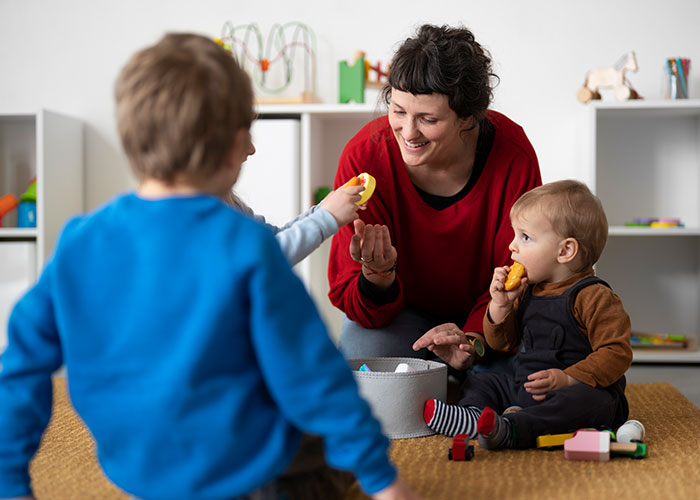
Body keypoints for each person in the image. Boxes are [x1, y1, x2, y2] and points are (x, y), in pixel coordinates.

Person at [0, 34, 419, 500]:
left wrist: (11, 481)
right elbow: (315, 373)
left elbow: (20, 369)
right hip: (246, 469)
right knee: (323, 446)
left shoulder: (80, 241)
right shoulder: (246, 249)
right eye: (250, 134)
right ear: (232, 143)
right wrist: (383, 478)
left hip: (137, 467)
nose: (254, 150)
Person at [328, 24, 542, 372]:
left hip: (493, 315)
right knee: (364, 369)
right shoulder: (364, 156)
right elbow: (353, 297)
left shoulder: (513, 154)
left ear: (467, 118)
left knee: (534, 377)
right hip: (399, 318)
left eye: (427, 119)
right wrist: (377, 276)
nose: (408, 133)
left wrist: (475, 337)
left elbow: (523, 267)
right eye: (398, 111)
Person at [421, 180, 633, 450]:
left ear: (565, 251)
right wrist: (500, 306)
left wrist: (568, 378)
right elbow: (502, 343)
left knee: (589, 403)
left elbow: (617, 352)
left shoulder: (594, 296)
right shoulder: (528, 290)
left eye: (525, 237)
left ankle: (512, 429)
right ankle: (474, 416)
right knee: (482, 381)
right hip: (525, 388)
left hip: (576, 390)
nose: (512, 246)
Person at [228, 140, 365, 266]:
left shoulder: (231, 203)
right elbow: (265, 258)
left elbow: (273, 240)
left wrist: (325, 207)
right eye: (244, 134)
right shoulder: (212, 218)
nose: (252, 149)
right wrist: (328, 216)